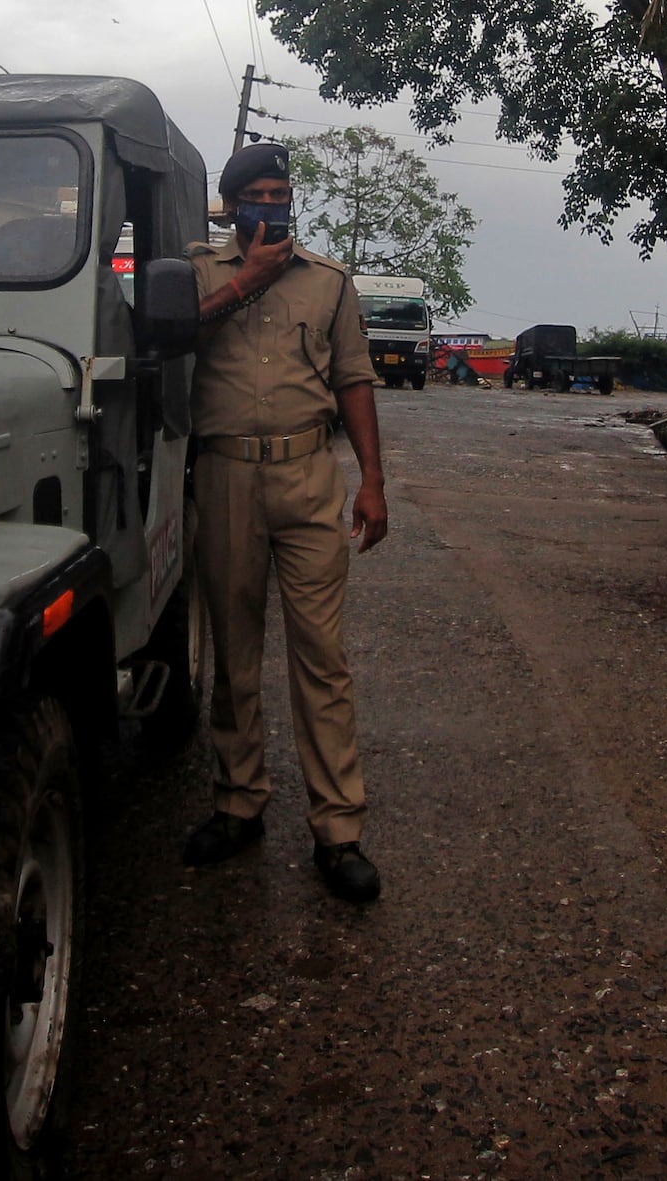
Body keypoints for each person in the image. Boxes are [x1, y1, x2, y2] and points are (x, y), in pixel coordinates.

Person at [181, 140, 390, 903]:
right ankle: (239, 804)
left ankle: (339, 831)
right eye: (257, 193)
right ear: (233, 205)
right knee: (234, 654)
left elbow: (355, 380)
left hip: (307, 476)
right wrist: (246, 283)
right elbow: (166, 338)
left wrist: (372, 481)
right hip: (226, 473)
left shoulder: (329, 282)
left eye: (281, 192)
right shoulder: (199, 274)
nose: (272, 203)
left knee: (321, 657)